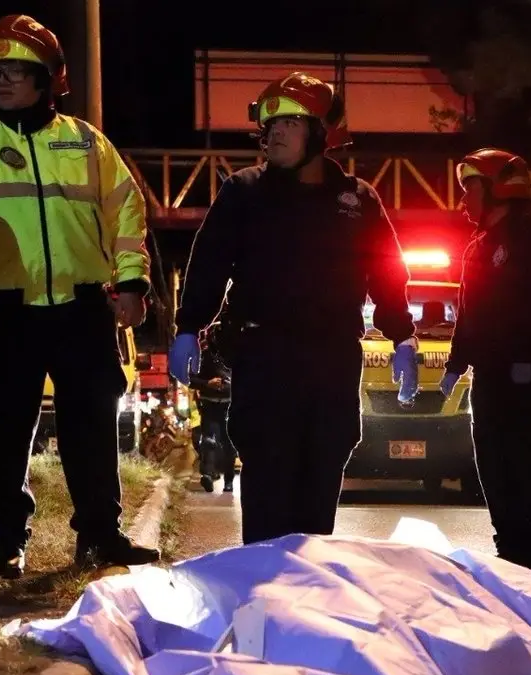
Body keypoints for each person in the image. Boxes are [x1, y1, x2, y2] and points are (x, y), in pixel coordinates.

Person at [0, 14, 158, 578]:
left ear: (50, 79)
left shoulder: (86, 142)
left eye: (17, 72)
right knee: (2, 432)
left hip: (79, 306)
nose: (2, 82)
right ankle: (6, 543)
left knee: (93, 425)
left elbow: (126, 213)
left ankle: (100, 535)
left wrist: (131, 282)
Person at [169, 72, 419, 545]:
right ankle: (264, 598)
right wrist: (189, 326)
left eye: (290, 123)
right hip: (265, 357)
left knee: (322, 474)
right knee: (268, 476)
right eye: (270, 124)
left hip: (332, 361)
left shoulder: (357, 200)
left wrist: (402, 334)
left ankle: (308, 596)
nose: (274, 133)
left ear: (321, 135)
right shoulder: (244, 192)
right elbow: (209, 263)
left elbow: (387, 273)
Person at [438, 148, 531, 573]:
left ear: (497, 189)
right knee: (493, 460)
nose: (463, 200)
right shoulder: (477, 247)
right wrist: (456, 363)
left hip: (525, 375)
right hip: (490, 377)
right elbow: (468, 311)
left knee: (530, 461)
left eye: (469, 189)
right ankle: (510, 548)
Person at [190, 316, 237, 493]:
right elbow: (190, 378)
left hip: (229, 406)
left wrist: (228, 385)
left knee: (229, 444)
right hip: (209, 404)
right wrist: (207, 384)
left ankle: (229, 480)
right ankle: (207, 475)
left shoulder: (237, 354)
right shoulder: (203, 356)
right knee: (208, 440)